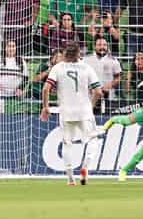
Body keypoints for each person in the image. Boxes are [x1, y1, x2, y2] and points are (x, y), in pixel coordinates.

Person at [40, 42, 103, 185]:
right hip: (84, 112)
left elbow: (45, 89)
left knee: (67, 144)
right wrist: (91, 106)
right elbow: (98, 91)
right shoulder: (87, 67)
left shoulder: (58, 68)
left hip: (66, 112)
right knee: (93, 140)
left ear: (65, 54)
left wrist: (45, 107)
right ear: (78, 54)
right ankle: (85, 168)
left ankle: (70, 178)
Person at [83, 36, 122, 112]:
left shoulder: (113, 60)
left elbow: (119, 77)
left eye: (104, 45)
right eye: (99, 45)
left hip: (108, 97)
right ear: (94, 46)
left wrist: (108, 86)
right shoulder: (86, 60)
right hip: (90, 97)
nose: (102, 47)